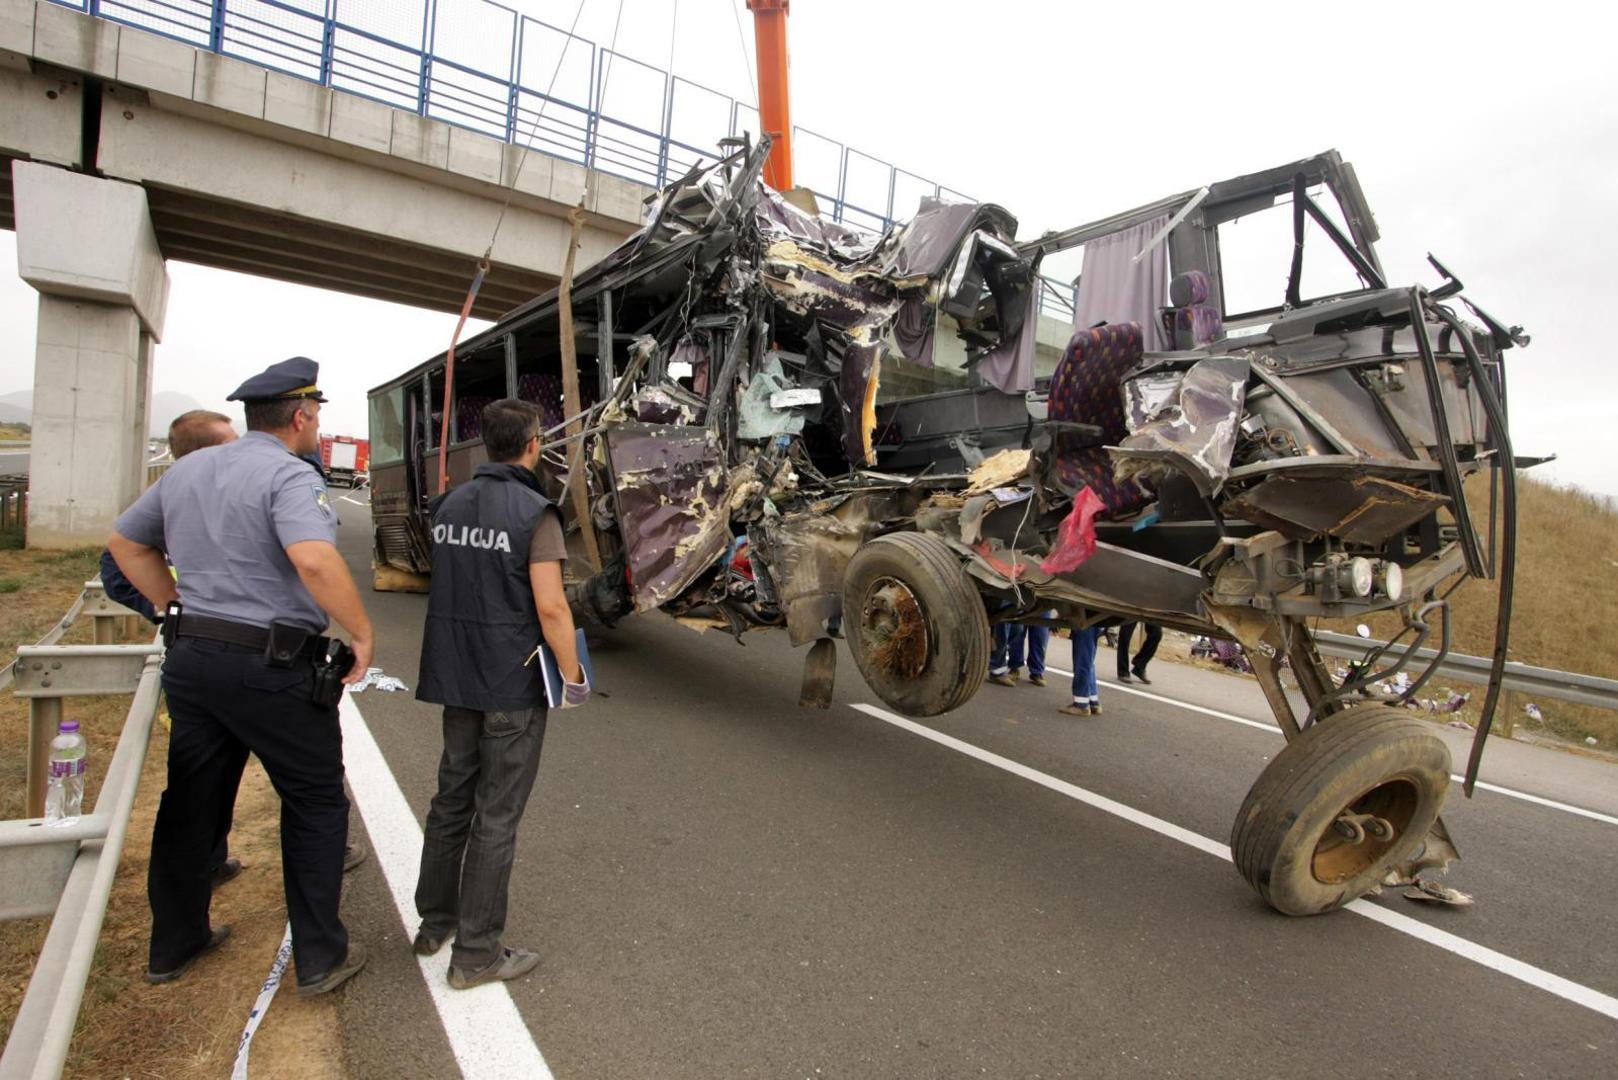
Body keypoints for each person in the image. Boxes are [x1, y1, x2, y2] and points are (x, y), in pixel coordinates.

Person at [108, 357, 374, 994]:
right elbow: (313, 559)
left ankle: (174, 943)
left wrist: (171, 605)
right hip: (273, 665)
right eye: (317, 415)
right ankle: (319, 957)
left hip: (194, 661)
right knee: (313, 801)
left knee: (189, 802)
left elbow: (124, 543)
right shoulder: (287, 475)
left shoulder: (189, 468)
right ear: (303, 416)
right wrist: (361, 634)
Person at [413, 398, 590, 990]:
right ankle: (478, 954)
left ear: (486, 444)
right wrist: (573, 674)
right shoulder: (535, 512)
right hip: (511, 684)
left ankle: (434, 922)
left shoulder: (449, 504)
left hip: (455, 675)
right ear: (534, 443)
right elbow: (550, 606)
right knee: (497, 815)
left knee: (451, 798)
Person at [100, 410, 239, 625]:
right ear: (206, 453)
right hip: (201, 631)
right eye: (234, 444)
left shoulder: (239, 492)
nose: (243, 451)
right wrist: (173, 608)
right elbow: (116, 568)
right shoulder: (167, 498)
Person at [1059, 625, 1102, 716]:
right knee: (1088, 656)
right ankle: (1093, 702)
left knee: (1082, 656)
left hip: (1087, 616)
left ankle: (1081, 704)